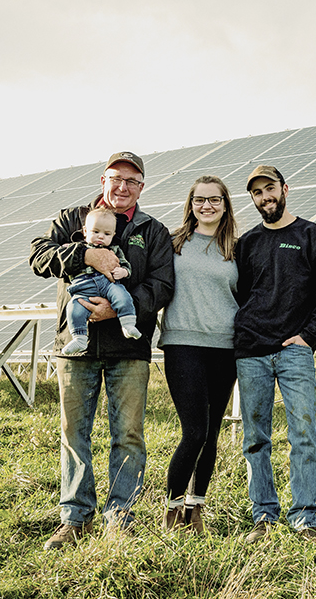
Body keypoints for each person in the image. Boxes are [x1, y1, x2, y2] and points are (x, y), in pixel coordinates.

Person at [30, 151, 174, 550]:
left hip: (128, 347)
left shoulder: (153, 231)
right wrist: (84, 253)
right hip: (76, 348)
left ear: (142, 187)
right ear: (103, 181)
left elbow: (163, 285)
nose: (122, 187)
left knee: (128, 434)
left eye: (131, 180)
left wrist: (118, 307)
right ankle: (75, 517)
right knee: (74, 433)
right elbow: (38, 256)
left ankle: (120, 517)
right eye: (115, 178)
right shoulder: (72, 220)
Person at [234, 165, 316, 546]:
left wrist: (309, 337)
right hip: (251, 352)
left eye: (270, 188)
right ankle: (263, 514)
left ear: (285, 189)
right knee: (255, 438)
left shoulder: (310, 234)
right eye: (257, 193)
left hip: (294, 351)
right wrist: (247, 334)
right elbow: (240, 294)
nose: (265, 197)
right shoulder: (247, 242)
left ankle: (304, 517)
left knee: (303, 434)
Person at [158, 175, 239, 533]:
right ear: (191, 204)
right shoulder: (173, 243)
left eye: (215, 200)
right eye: (199, 200)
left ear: (225, 204)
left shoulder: (238, 248)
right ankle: (172, 508)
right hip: (182, 345)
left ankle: (196, 508)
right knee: (194, 431)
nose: (207, 206)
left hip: (225, 348)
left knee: (212, 433)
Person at [62, 206, 141, 355]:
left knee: (122, 296)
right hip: (83, 289)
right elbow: (64, 259)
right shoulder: (77, 248)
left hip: (108, 285)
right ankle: (79, 338)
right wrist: (71, 252)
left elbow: (125, 265)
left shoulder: (115, 250)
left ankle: (128, 324)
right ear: (85, 231)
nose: (100, 237)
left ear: (113, 235)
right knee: (73, 309)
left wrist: (123, 272)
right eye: (95, 232)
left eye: (106, 234)